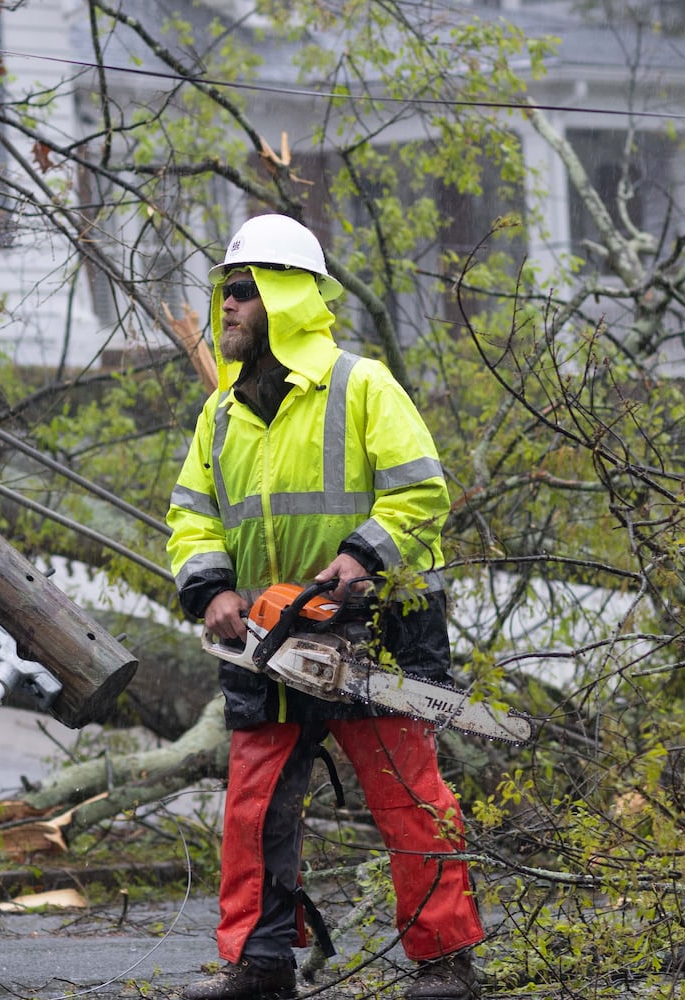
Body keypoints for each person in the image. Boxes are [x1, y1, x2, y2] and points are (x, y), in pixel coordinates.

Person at [166, 214, 484, 1000]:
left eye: (242, 291)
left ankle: (445, 962)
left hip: (370, 630)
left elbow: (421, 490)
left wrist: (361, 555)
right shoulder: (222, 412)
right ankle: (261, 961)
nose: (227, 305)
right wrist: (213, 590)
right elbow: (192, 514)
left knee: (409, 798)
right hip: (267, 639)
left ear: (285, 296)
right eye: (224, 291)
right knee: (254, 808)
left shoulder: (362, 385)